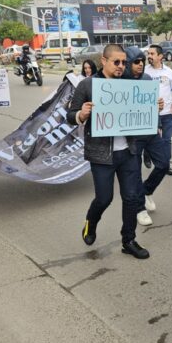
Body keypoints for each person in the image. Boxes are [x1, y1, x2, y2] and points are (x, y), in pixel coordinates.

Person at [65, 44, 152, 260]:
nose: (122, 66)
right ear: (104, 61)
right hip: (101, 154)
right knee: (104, 198)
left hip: (129, 152)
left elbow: (141, 113)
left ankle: (128, 240)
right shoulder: (88, 85)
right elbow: (70, 114)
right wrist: (81, 114)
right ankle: (91, 221)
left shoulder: (132, 85)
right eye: (117, 62)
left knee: (131, 198)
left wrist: (152, 107)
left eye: (124, 62)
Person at [123, 46, 165, 227]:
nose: (140, 65)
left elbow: (154, 105)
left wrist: (158, 122)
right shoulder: (119, 82)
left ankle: (147, 190)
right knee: (134, 172)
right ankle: (140, 208)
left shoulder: (147, 79)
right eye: (136, 62)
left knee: (164, 164)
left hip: (150, 131)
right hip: (131, 136)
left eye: (142, 61)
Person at [145, 44, 172, 177]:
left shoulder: (169, 72)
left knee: (166, 139)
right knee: (149, 138)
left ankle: (166, 165)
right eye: (148, 53)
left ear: (160, 56)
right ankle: (146, 155)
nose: (149, 56)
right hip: (150, 113)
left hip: (167, 113)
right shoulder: (145, 71)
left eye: (152, 54)